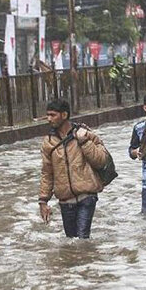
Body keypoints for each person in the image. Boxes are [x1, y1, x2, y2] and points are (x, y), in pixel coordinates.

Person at [38, 99, 108, 238]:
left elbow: (101, 160)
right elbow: (47, 172)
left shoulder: (85, 134)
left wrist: (84, 141)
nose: (49, 119)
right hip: (65, 200)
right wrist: (43, 200)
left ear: (64, 115)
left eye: (53, 115)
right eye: (48, 115)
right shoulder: (49, 143)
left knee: (82, 238)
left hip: (86, 195)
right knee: (71, 240)